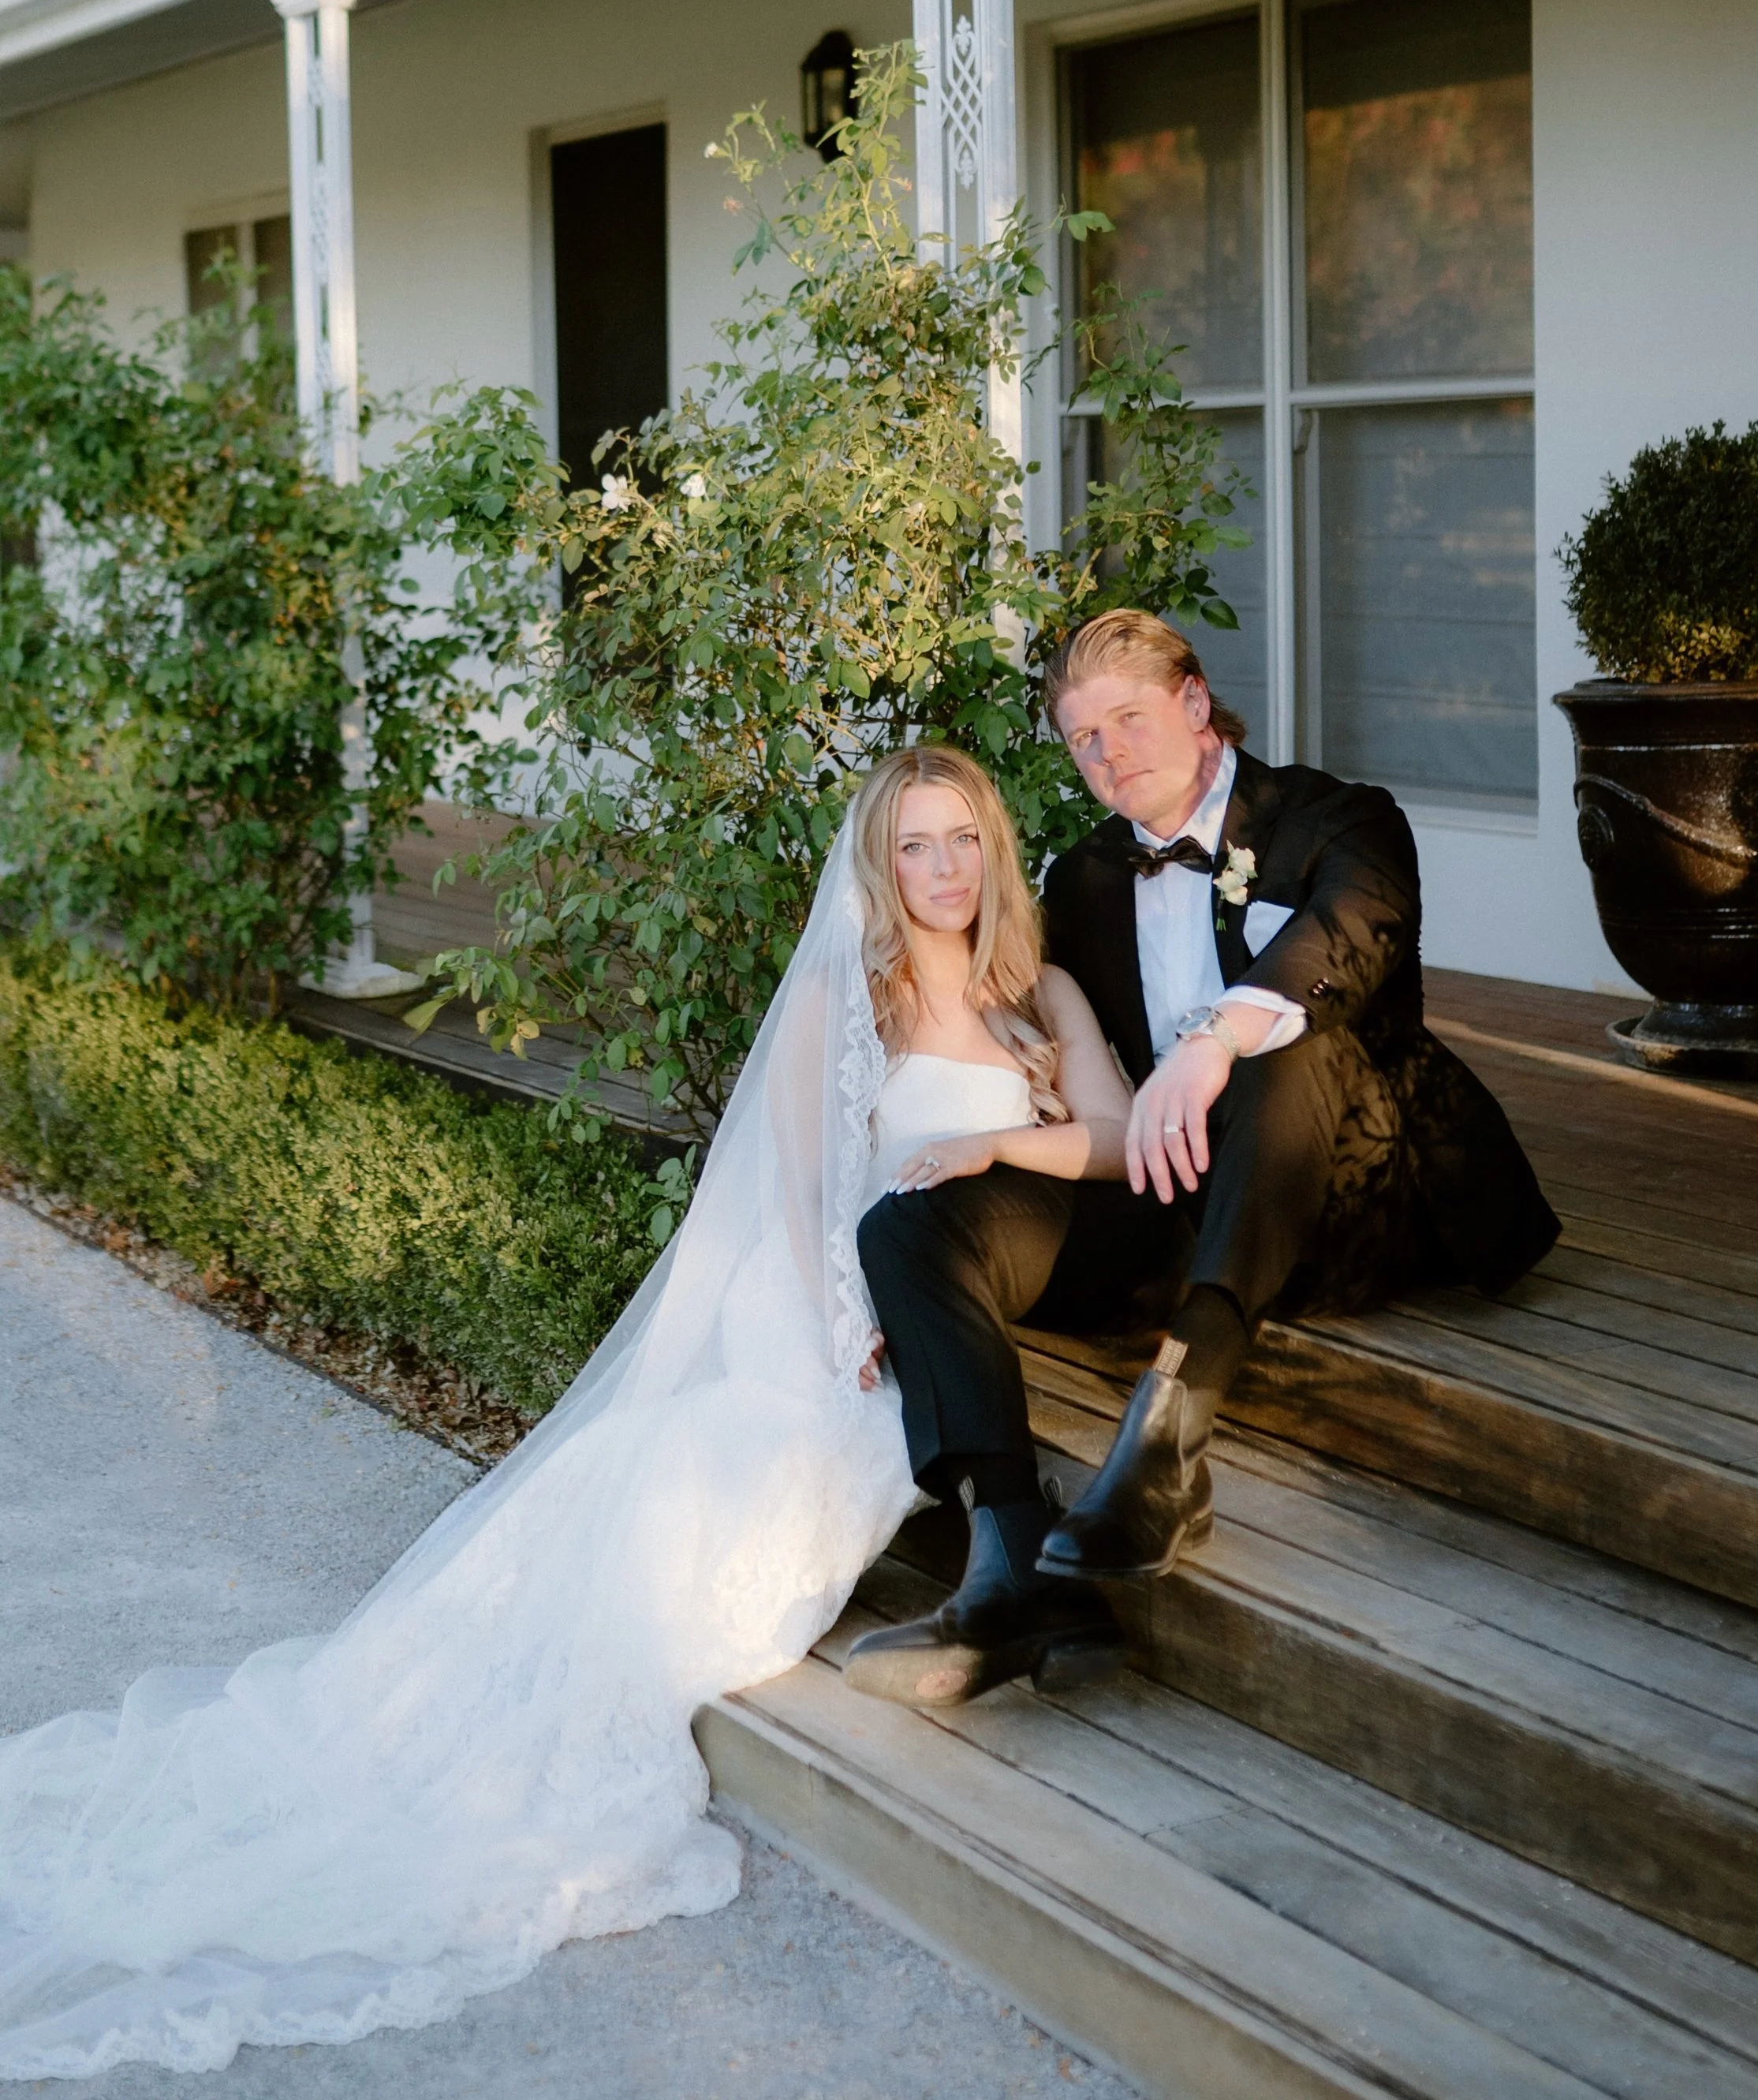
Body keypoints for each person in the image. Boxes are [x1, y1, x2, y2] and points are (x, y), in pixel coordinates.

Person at [0, 745, 1109, 2082]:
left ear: (995, 848)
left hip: (947, 1287)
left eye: (963, 839)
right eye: (914, 844)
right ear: (879, 864)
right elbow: (803, 1194)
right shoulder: (845, 1001)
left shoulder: (1037, 995)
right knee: (751, 1484)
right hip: (835, 1302)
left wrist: (996, 1142)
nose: (943, 869)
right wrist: (841, 1322)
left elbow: (1109, 1141)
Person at [852, 609, 1560, 1652]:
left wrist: (1216, 1039)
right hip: (1175, 1202)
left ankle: (1168, 1440)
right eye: (1084, 738)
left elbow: (1354, 930)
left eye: (1129, 719)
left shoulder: (1338, 819)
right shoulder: (1084, 880)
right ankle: (1009, 1556)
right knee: (910, 1225)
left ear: (1194, 702)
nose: (1109, 753)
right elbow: (1055, 1056)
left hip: (1347, 1198)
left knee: (1286, 1044)